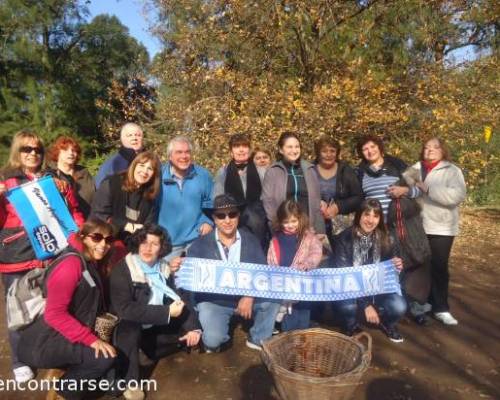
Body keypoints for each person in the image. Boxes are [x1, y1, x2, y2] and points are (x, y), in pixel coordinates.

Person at [0, 130, 84, 383]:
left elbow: (72, 212)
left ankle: (49, 353)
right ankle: (19, 360)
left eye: (37, 149)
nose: (33, 154)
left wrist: (80, 238)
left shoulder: (53, 179)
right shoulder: (5, 179)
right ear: (17, 151)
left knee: (55, 306)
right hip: (17, 256)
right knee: (20, 310)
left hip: (53, 254)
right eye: (27, 149)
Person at [18, 219, 117, 399]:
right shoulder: (71, 264)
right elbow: (54, 314)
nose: (103, 244)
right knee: (103, 358)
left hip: (61, 334)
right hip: (44, 341)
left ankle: (63, 377)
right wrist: (91, 340)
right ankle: (63, 392)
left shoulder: (90, 261)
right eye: (97, 238)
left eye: (108, 240)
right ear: (83, 238)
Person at [110, 224, 201, 400]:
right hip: (128, 323)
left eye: (154, 244)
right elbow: (125, 310)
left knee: (187, 334)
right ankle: (131, 382)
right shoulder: (123, 270)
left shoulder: (163, 267)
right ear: (137, 243)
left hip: (155, 322)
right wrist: (166, 312)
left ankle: (147, 350)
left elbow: (179, 298)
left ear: (162, 248)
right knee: (130, 331)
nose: (147, 248)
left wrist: (194, 328)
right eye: (143, 242)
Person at [187, 194, 280, 352]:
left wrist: (249, 295)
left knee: (275, 294)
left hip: (245, 296)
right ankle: (217, 329)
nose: (227, 220)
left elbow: (262, 273)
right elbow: (190, 284)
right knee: (212, 342)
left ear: (238, 216)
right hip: (215, 301)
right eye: (221, 216)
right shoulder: (199, 246)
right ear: (214, 219)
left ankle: (258, 338)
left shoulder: (251, 240)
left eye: (232, 214)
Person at [403, 137, 466, 325]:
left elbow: (456, 196)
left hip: (442, 227)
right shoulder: (412, 170)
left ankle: (441, 308)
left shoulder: (452, 170)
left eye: (435, 147)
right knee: (418, 266)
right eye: (426, 147)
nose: (430, 150)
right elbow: (404, 191)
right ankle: (418, 305)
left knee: (439, 267)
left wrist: (428, 188)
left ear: (442, 150)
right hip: (418, 226)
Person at [332, 199, 406, 342]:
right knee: (347, 307)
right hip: (350, 290)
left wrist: (397, 268)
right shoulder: (343, 238)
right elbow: (345, 278)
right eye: (367, 215)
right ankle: (350, 325)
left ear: (380, 219)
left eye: (375, 216)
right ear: (359, 215)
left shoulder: (388, 238)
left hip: (377, 289)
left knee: (399, 306)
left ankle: (387, 322)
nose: (370, 220)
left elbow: (394, 273)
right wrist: (365, 305)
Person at [267, 200, 322, 331]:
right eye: (286, 222)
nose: (290, 225)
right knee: (289, 329)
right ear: (280, 222)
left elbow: (316, 252)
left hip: (303, 287)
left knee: (302, 323)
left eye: (293, 221)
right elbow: (271, 259)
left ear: (300, 219)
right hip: (285, 287)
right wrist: (276, 275)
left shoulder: (308, 237)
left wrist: (308, 263)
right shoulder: (276, 239)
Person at [157, 136, 214, 258]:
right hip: (167, 243)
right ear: (170, 156)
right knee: (167, 275)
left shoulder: (203, 175)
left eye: (187, 152)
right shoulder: (158, 177)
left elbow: (210, 203)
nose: (184, 156)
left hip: (196, 239)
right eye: (179, 152)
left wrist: (208, 222)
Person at [262, 131, 325, 235]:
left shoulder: (310, 170)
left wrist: (320, 230)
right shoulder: (273, 171)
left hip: (308, 229)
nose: (294, 150)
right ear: (281, 150)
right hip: (284, 229)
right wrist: (278, 227)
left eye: (297, 147)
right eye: (289, 147)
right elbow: (268, 202)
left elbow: (316, 203)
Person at [91, 151, 161, 242]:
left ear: (154, 175)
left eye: (150, 169)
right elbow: (99, 213)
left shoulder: (150, 198)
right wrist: (126, 226)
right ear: (134, 166)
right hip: (101, 238)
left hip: (130, 244)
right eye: (142, 165)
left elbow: (147, 226)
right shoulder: (112, 183)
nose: (145, 171)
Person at [214, 133, 269, 249]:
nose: (241, 150)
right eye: (236, 146)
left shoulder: (262, 171)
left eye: (244, 146)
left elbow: (267, 199)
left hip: (258, 225)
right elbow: (218, 200)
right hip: (233, 221)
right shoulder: (222, 172)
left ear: (249, 150)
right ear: (231, 151)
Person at [313, 135, 363, 243]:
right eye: (324, 151)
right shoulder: (309, 170)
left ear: (337, 153)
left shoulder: (345, 170)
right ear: (318, 153)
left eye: (332, 151)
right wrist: (316, 202)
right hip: (315, 225)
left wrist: (338, 206)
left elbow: (358, 197)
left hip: (341, 226)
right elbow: (302, 195)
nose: (329, 154)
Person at [47, 135, 95, 218]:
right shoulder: (49, 174)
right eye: (65, 150)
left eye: (74, 150)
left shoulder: (84, 172)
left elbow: (95, 197)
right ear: (57, 153)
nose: (71, 153)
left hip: (89, 221)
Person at [96, 122, 144, 187]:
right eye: (130, 135)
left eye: (138, 135)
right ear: (122, 139)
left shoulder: (149, 161)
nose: (134, 138)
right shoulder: (113, 163)